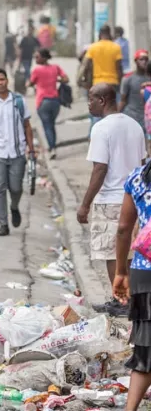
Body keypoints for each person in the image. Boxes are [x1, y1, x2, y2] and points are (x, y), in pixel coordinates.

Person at [77, 83, 146, 317]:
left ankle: (121, 300)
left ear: (102, 100)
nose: (88, 104)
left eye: (90, 99)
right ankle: (131, 299)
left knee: (111, 252)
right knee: (130, 253)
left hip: (111, 198)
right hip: (134, 198)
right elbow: (143, 163)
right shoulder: (135, 126)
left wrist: (85, 204)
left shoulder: (101, 129)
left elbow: (99, 169)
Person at [0, 68, 36, 236]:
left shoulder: (18, 102)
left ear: (7, 80)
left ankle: (14, 206)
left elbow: (27, 126)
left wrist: (31, 150)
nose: (0, 83)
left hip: (17, 152)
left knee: (16, 188)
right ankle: (3, 224)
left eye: (2, 79)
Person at [113, 160, 151, 411]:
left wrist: (120, 271)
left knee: (146, 344)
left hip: (143, 270)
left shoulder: (138, 178)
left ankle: (130, 409)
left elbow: (124, 228)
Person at [28, 48, 69, 159]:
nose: (36, 59)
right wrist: (56, 80)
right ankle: (53, 147)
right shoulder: (55, 68)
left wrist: (28, 83)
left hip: (42, 101)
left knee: (47, 126)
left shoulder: (37, 70)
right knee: (51, 124)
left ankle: (52, 148)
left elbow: (30, 83)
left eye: (37, 57)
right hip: (55, 101)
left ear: (44, 57)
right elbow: (66, 79)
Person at [120, 50, 150, 129]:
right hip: (133, 116)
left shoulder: (149, 77)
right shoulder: (127, 78)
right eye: (141, 59)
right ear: (135, 61)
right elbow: (123, 100)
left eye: (146, 59)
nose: (144, 62)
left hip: (148, 117)